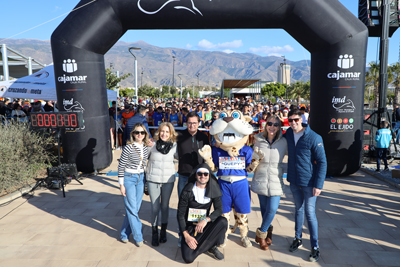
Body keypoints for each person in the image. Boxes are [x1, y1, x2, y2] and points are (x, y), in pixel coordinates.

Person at [285, 109, 327, 262]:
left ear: (302, 119)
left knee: (309, 213)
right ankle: (298, 238)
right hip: (294, 181)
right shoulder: (288, 134)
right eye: (290, 120)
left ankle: (315, 247)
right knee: (298, 210)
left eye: (296, 119)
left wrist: (319, 185)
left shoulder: (314, 137)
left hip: (310, 183)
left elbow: (322, 162)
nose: (293, 123)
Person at [177, 164, 228, 263]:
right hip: (190, 228)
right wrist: (186, 236)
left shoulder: (213, 189)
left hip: (204, 226)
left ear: (209, 176)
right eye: (200, 174)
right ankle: (206, 245)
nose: (203, 176)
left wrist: (206, 220)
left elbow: (219, 210)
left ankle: (210, 246)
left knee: (223, 221)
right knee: (188, 258)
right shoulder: (187, 191)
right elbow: (180, 214)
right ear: (195, 175)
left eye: (205, 174)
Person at [250, 115, 287, 250]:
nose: (272, 127)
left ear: (279, 127)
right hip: (261, 177)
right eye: (270, 123)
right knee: (265, 210)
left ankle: (261, 234)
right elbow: (252, 156)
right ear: (266, 125)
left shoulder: (284, 141)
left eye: (276, 124)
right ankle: (269, 232)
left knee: (272, 209)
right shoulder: (258, 139)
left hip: (276, 178)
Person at [177, 111, 210, 246]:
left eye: (194, 123)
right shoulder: (179, 136)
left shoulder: (204, 137)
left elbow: (209, 155)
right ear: (186, 123)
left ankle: (197, 235)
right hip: (184, 176)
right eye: (189, 122)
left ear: (198, 123)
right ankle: (182, 235)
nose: (192, 125)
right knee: (183, 208)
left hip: (200, 178)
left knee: (199, 208)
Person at [118, 123, 150, 247]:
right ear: (133, 134)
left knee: (134, 208)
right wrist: (121, 184)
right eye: (137, 132)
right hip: (129, 179)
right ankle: (138, 236)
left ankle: (124, 233)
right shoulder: (128, 147)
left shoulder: (146, 147)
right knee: (132, 208)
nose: (139, 135)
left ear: (145, 134)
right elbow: (121, 166)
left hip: (140, 178)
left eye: (142, 132)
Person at [146, 122, 178, 246]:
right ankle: (154, 232)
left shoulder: (174, 146)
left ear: (171, 134)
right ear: (158, 132)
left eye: (167, 132)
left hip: (168, 181)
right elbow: (143, 158)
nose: (164, 134)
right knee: (154, 207)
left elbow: (182, 157)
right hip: (153, 179)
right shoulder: (152, 145)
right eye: (162, 131)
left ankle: (163, 231)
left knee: (165, 206)